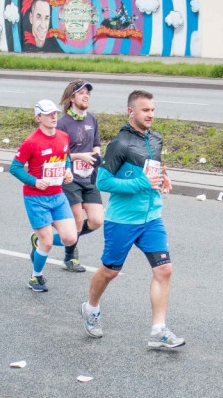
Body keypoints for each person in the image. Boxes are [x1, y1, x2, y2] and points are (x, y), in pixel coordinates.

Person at [80, 89, 184, 350]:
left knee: (164, 269)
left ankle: (158, 331)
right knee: (110, 271)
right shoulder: (120, 144)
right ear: (131, 112)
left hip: (151, 218)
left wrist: (163, 178)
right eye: (145, 110)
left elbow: (151, 169)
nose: (151, 115)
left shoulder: (155, 139)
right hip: (122, 221)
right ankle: (91, 307)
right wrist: (141, 183)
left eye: (153, 110)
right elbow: (103, 182)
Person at [9, 99, 77, 292]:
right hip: (36, 198)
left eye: (55, 113)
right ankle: (36, 277)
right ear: (38, 117)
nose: (53, 117)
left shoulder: (64, 136)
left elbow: (66, 158)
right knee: (47, 243)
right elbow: (14, 168)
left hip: (58, 195)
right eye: (48, 114)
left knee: (70, 238)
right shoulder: (31, 142)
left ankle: (37, 240)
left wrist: (68, 171)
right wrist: (34, 181)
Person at [56, 79, 103, 272]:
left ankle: (48, 239)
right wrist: (79, 156)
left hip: (89, 177)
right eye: (82, 93)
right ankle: (69, 258)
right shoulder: (62, 124)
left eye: (88, 93)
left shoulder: (92, 119)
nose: (86, 96)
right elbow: (58, 154)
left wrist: (97, 154)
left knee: (96, 220)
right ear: (72, 98)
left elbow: (96, 144)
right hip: (70, 178)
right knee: (76, 221)